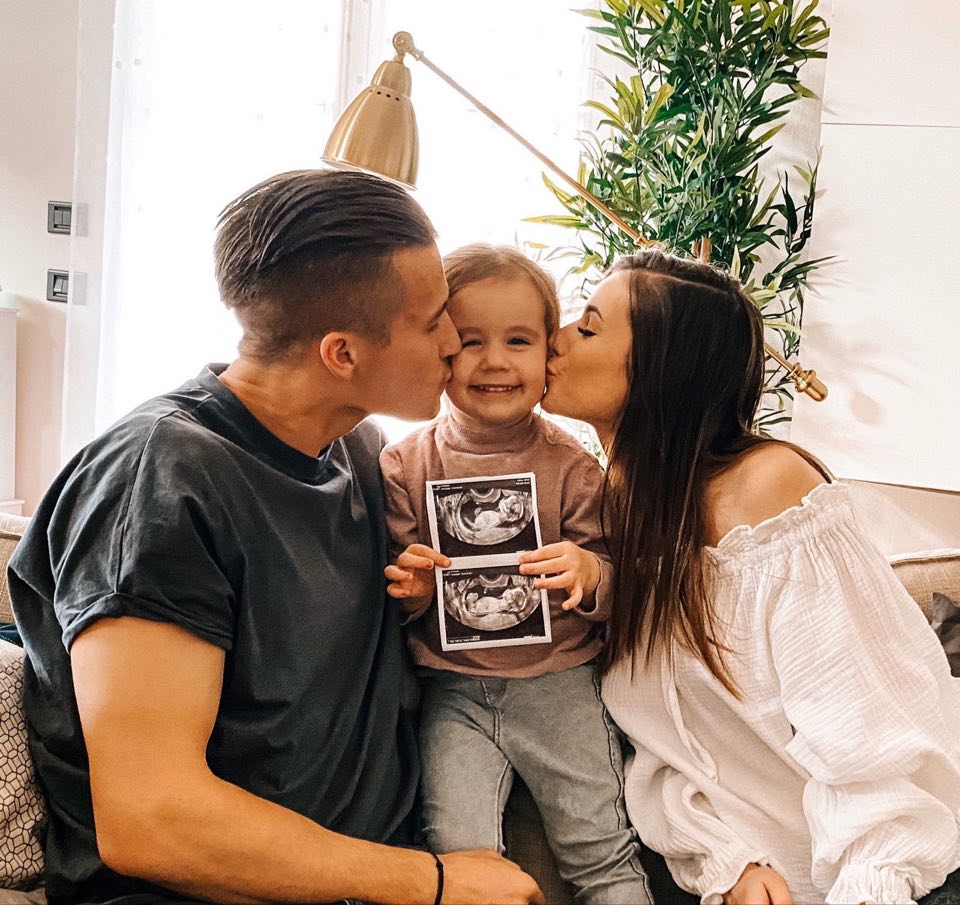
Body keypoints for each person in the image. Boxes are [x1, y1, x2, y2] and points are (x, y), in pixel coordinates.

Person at [8, 171, 543, 905]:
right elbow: (151, 818)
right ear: (342, 354)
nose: (454, 341)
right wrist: (435, 881)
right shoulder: (160, 481)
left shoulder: (358, 452)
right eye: (431, 322)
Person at [541, 249, 960, 905]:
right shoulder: (614, 513)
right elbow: (664, 741)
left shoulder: (768, 491)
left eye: (588, 327)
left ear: (664, 368)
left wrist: (869, 886)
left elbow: (872, 736)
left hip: (907, 873)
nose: (555, 337)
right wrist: (727, 861)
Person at [380, 244, 652, 905]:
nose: (495, 360)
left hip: (560, 685)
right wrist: (413, 592)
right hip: (453, 691)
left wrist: (589, 572)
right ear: (440, 349)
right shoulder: (404, 465)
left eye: (519, 340)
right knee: (457, 852)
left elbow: (624, 585)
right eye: (470, 341)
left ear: (549, 353)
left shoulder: (574, 468)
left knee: (601, 851)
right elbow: (393, 591)